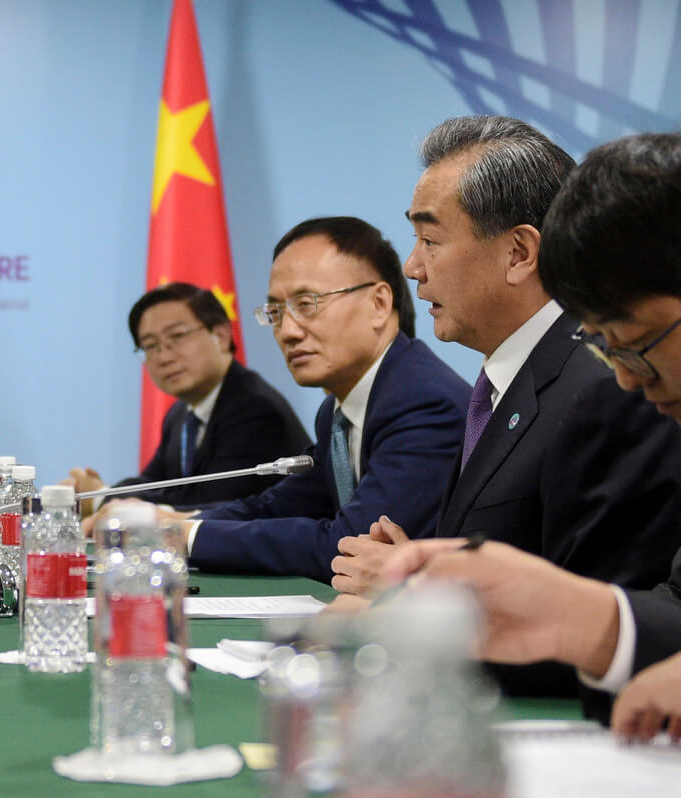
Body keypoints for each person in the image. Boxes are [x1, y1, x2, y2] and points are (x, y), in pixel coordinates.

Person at [328, 116, 681, 695]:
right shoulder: (504, 384)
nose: (413, 266)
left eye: (431, 240)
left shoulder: (601, 389)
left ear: (519, 251)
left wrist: (415, 604)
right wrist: (428, 573)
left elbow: (601, 594)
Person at [120, 217, 469, 582]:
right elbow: (276, 506)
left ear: (379, 304)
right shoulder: (337, 412)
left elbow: (349, 544)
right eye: (275, 313)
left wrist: (185, 535)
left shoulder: (423, 402)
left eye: (306, 304)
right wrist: (182, 522)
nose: (287, 331)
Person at [68, 283, 309, 511]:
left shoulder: (253, 409)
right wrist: (96, 492)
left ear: (221, 336)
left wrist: (102, 497)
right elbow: (153, 483)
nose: (164, 357)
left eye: (178, 336)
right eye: (151, 346)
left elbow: (207, 503)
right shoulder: (181, 413)